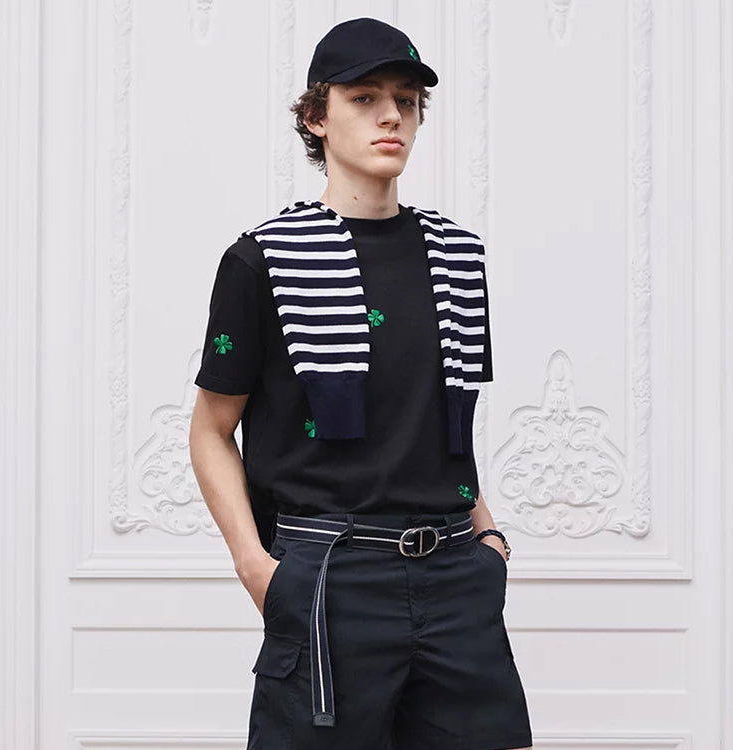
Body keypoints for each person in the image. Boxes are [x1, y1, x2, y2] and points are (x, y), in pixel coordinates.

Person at [189, 16, 533, 750]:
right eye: (365, 97)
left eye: (406, 101)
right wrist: (256, 568)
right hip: (329, 578)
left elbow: (444, 424)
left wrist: (488, 539)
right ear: (316, 117)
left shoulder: (459, 256)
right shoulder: (262, 260)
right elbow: (211, 430)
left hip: (457, 577)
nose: (391, 117)